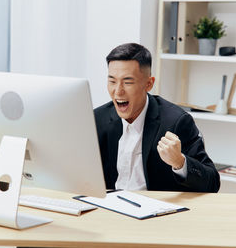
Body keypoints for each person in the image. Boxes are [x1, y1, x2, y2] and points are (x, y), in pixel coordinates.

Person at [94, 43, 220, 192]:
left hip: (154, 212)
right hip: (108, 209)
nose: (118, 91)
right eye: (112, 81)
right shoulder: (97, 119)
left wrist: (180, 162)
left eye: (127, 82)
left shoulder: (176, 122)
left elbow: (212, 183)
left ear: (149, 84)